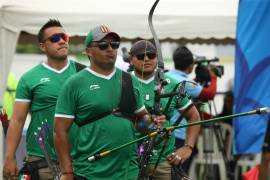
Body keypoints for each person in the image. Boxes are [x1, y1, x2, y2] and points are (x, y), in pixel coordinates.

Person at [54, 25, 165, 180]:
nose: (110, 49)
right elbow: (59, 131)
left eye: (114, 45)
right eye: (103, 45)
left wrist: (152, 123)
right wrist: (66, 172)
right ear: (88, 51)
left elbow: (142, 123)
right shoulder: (75, 83)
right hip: (89, 172)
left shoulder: (129, 80)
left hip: (128, 172)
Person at [3, 19, 82, 180]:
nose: (61, 41)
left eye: (64, 37)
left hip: (80, 160)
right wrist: (9, 157)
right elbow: (18, 120)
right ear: (42, 46)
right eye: (54, 38)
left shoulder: (83, 74)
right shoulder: (29, 78)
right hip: (42, 160)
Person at [129, 40, 201, 180]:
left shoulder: (172, 84)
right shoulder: (123, 83)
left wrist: (188, 147)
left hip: (163, 161)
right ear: (131, 59)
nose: (146, 59)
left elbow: (194, 116)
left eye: (151, 55)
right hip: (129, 160)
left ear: (157, 58)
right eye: (140, 56)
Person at [166, 46, 217, 171]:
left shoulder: (167, 76)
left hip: (166, 132)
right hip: (180, 136)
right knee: (179, 173)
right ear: (190, 66)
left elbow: (190, 87)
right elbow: (209, 94)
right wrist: (214, 76)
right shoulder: (187, 83)